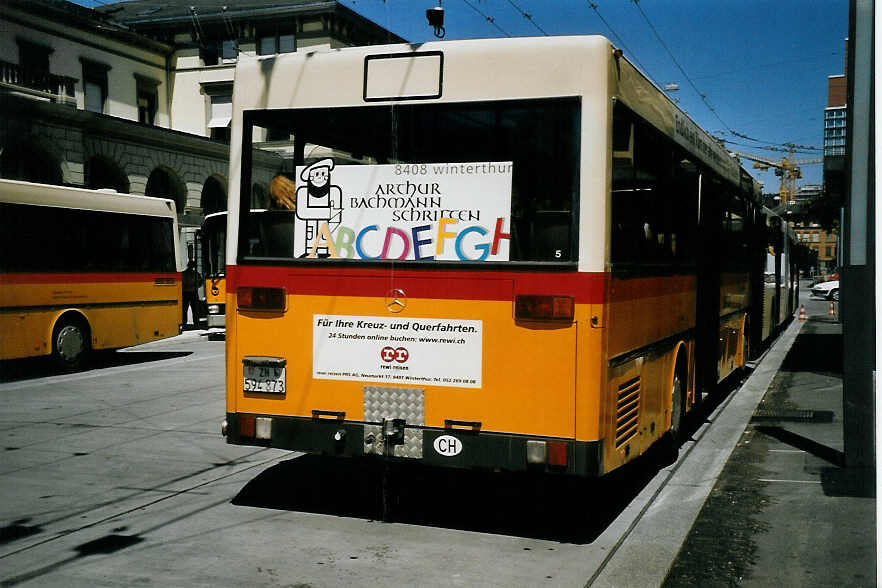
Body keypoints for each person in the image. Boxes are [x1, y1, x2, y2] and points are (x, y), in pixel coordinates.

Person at [181, 260, 202, 328]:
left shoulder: (184, 274)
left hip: (187, 292)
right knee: (194, 309)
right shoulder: (196, 274)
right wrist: (195, 286)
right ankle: (195, 323)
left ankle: (185, 323)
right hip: (192, 292)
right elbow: (200, 283)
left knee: (186, 309)